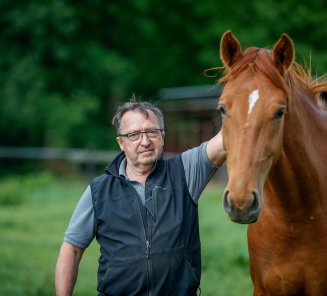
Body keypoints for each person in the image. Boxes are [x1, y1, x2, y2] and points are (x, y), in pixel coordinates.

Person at [55, 97, 226, 296]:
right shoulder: (99, 190)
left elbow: (227, 139)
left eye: (152, 132)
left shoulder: (185, 170)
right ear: (121, 142)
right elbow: (72, 250)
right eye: (134, 135)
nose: (145, 141)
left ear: (162, 136)